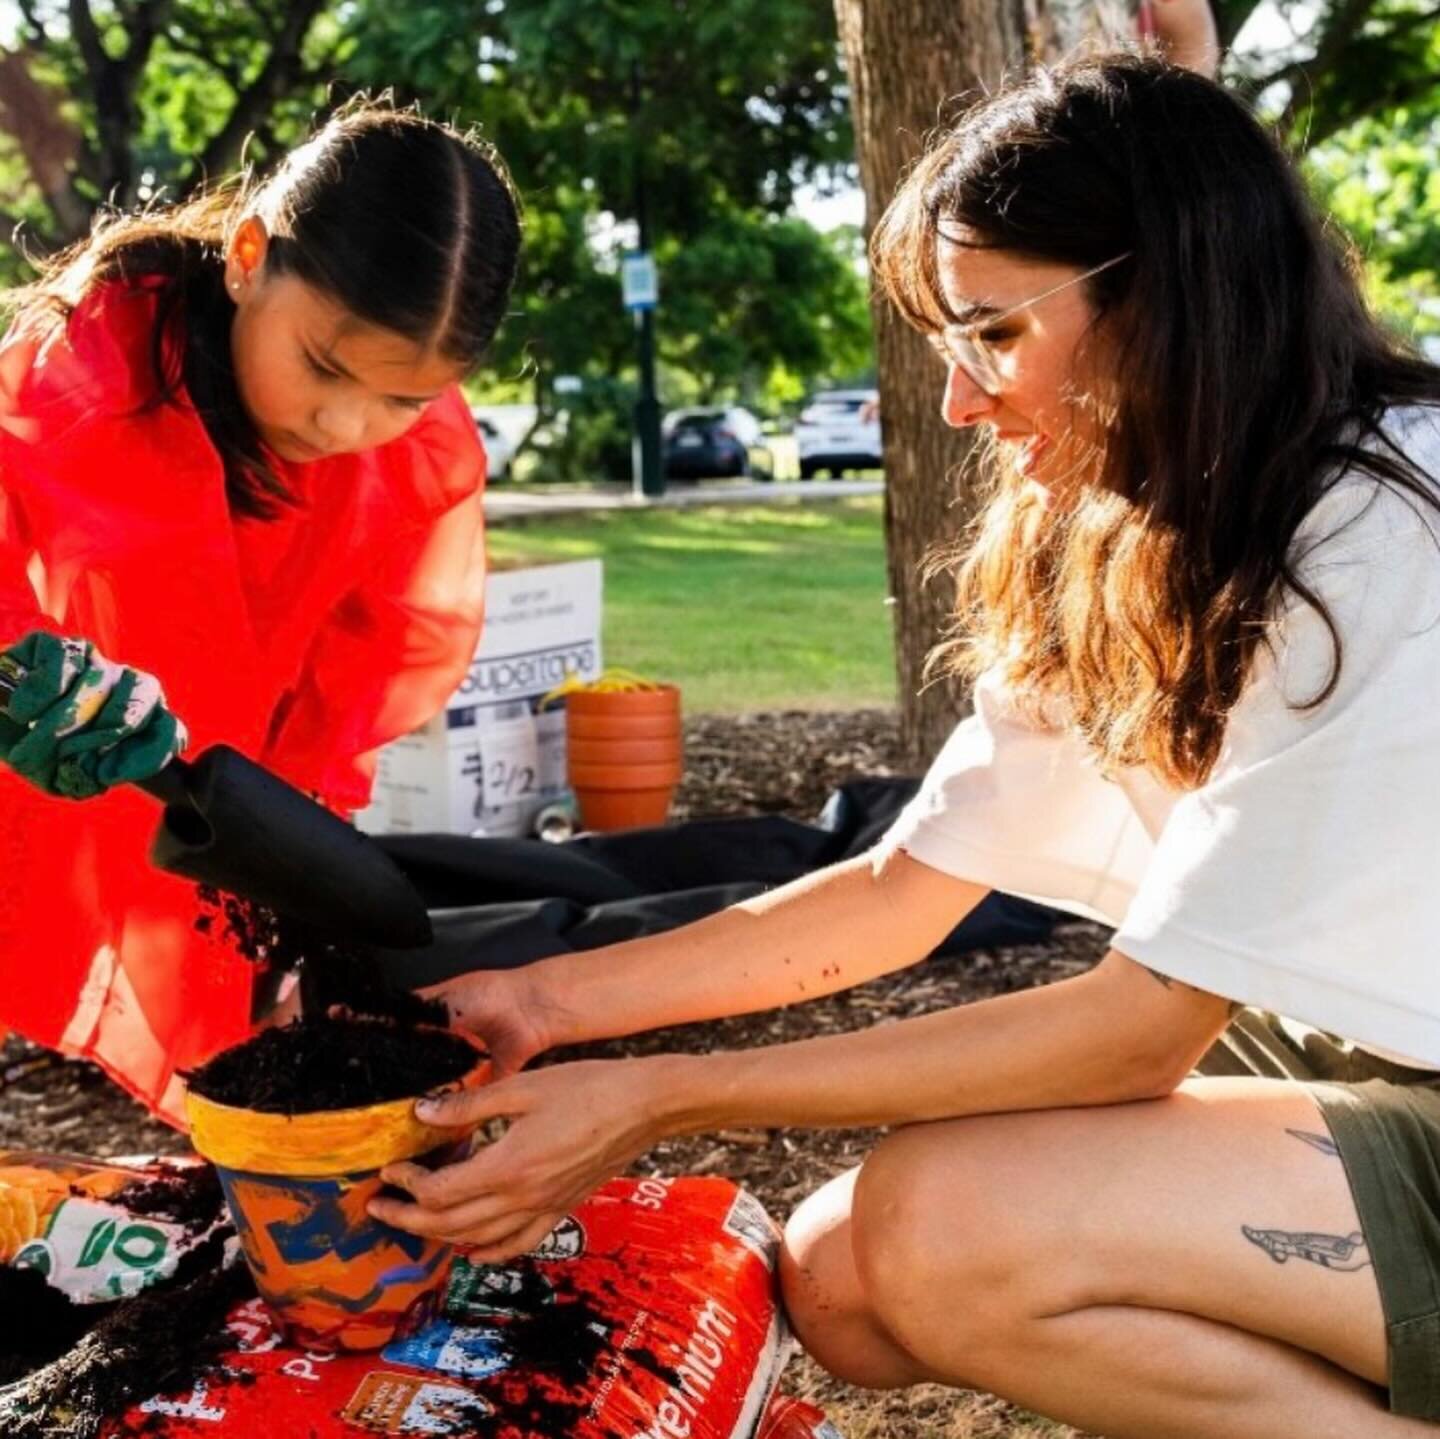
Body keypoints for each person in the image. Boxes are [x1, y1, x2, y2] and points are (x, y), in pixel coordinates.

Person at [372, 53, 1440, 1439]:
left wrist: (660, 1095)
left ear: (1168, 294)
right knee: (844, 1275)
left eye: (995, 333)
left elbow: (1128, 1035)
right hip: (1356, 1059)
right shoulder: (1132, 521)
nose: (957, 403)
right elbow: (903, 889)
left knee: (940, 1229)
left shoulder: (1380, 529)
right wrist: (552, 1004)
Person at [0, 100, 521, 1124]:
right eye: (325, 367)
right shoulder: (80, 382)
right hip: (54, 755)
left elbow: (357, 671)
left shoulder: (409, 452)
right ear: (247, 256)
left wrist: (290, 855)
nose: (345, 424)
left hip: (220, 778)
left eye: (401, 398)